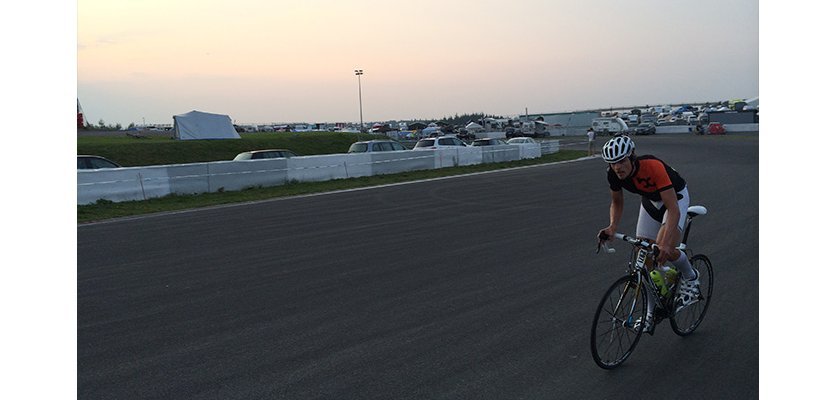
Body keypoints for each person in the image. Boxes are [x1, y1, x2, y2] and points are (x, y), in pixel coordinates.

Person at [597, 135, 701, 334]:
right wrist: (611, 227)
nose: (617, 167)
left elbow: (673, 209)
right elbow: (617, 202)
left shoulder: (653, 166)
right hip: (651, 201)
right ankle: (650, 313)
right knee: (644, 256)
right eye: (612, 163)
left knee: (665, 249)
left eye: (621, 161)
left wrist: (664, 244)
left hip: (675, 199)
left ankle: (691, 277)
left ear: (632, 157)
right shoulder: (612, 174)